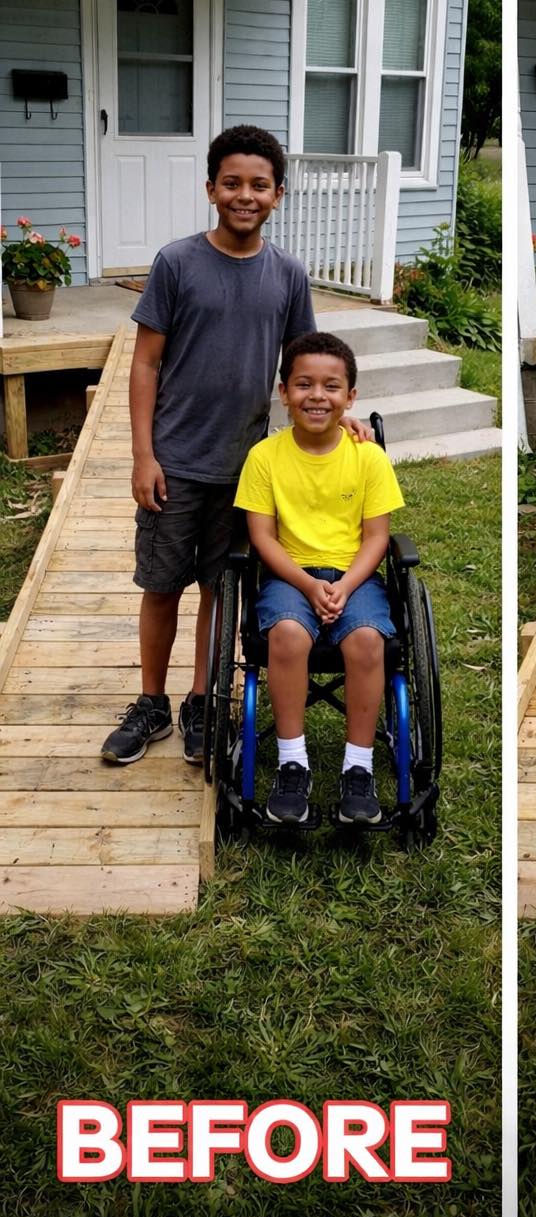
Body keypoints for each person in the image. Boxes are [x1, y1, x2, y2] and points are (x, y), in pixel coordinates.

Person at [100, 125, 367, 767]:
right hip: (174, 462)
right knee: (162, 584)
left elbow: (309, 366)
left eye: (259, 185)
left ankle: (201, 699)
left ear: (279, 194)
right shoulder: (176, 263)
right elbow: (144, 365)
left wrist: (342, 420)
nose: (244, 195)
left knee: (221, 589)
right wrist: (143, 454)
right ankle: (151, 703)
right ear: (211, 189)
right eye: (231, 183)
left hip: (247, 471)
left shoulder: (288, 274)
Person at [234, 330, 405, 827]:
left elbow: (377, 536)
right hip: (290, 575)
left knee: (368, 642)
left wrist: (346, 585)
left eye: (331, 387)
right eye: (304, 384)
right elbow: (262, 537)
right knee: (287, 634)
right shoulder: (264, 458)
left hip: (355, 576)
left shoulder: (367, 456)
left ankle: (359, 768)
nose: (317, 395)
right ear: (284, 391)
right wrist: (309, 586)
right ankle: (293, 763)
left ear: (350, 397)